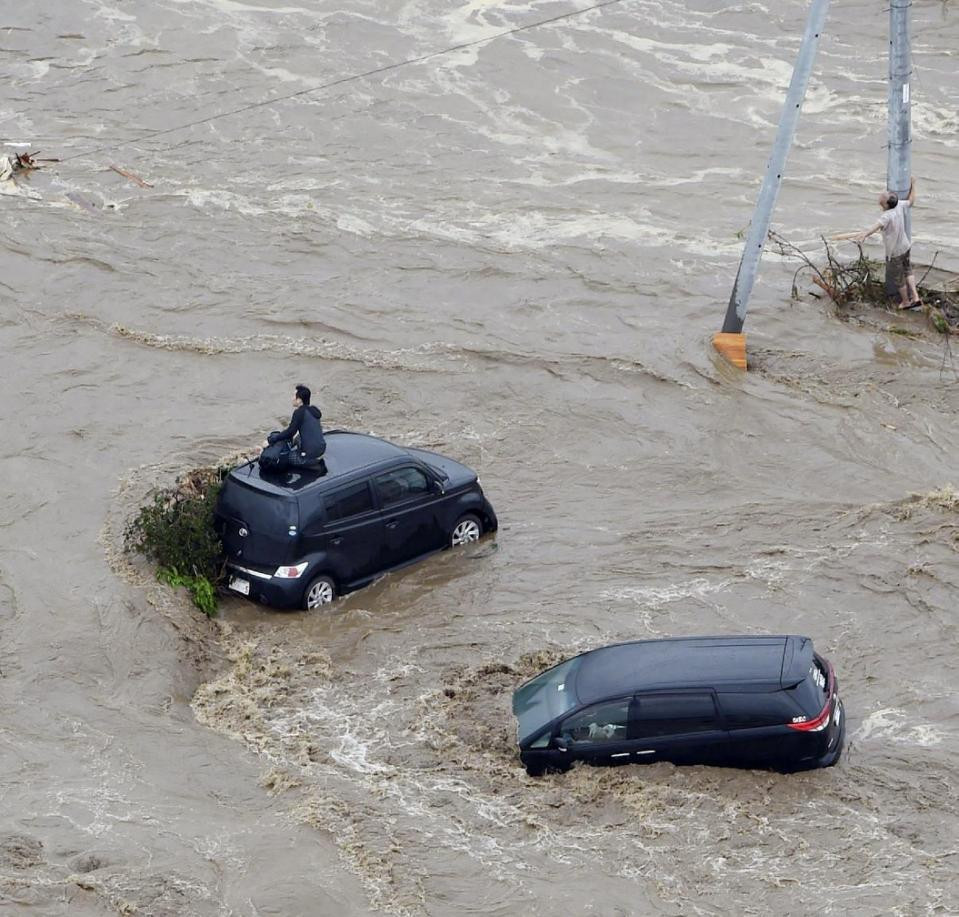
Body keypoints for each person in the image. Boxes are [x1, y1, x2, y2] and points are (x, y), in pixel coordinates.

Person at [835, 177, 919, 310]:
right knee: (908, 269)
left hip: (895, 253)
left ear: (886, 205)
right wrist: (913, 185)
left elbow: (875, 227)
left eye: (882, 198)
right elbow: (911, 200)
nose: (880, 198)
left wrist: (864, 234)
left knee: (898, 279)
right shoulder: (900, 206)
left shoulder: (886, 216)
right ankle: (915, 297)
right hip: (905, 246)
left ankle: (906, 302)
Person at [260, 384, 326, 470]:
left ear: (299, 400)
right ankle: (311, 458)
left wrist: (271, 441)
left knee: (286, 457)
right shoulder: (314, 410)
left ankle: (313, 465)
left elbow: (290, 432)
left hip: (309, 455)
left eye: (294, 396)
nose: (292, 398)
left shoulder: (299, 412)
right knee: (297, 438)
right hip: (321, 449)